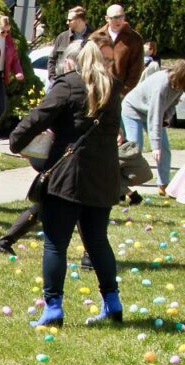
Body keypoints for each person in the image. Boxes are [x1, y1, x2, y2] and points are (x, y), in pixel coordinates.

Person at [10, 39, 123, 328]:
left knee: (56, 243)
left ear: (71, 61)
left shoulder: (68, 84)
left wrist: (16, 142)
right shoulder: (112, 87)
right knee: (97, 240)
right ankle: (113, 303)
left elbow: (37, 118)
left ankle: (53, 309)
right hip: (103, 176)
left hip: (68, 177)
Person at [0, 40, 84, 256]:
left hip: (64, 157)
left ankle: (6, 241)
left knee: (50, 203)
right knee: (71, 203)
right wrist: (18, 142)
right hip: (60, 157)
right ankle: (89, 255)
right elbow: (39, 118)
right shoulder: (69, 86)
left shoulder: (82, 85)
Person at [122, 61, 184, 197]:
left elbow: (173, 103)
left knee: (164, 149)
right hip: (133, 109)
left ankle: (163, 184)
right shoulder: (162, 85)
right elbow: (154, 116)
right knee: (134, 148)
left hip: (152, 112)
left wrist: (166, 117)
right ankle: (122, 185)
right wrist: (155, 147)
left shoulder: (180, 85)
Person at [90, 4, 141, 95]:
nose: (119, 20)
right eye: (115, 17)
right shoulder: (96, 37)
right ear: (107, 18)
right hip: (98, 90)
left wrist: (125, 91)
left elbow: (136, 69)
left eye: (121, 16)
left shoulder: (134, 38)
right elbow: (89, 63)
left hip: (122, 93)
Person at [47, 5, 89, 86]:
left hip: (84, 85)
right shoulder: (62, 37)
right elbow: (52, 59)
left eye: (70, 20)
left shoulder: (93, 37)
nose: (67, 22)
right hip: (62, 82)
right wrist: (52, 78)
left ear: (79, 21)